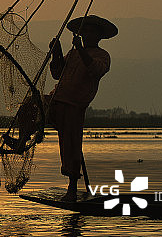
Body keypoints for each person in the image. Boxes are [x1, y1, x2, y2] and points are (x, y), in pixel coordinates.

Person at [47, 15, 117, 201]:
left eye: (91, 32)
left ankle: (71, 188)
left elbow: (95, 70)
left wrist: (79, 48)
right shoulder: (73, 53)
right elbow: (57, 74)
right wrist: (57, 53)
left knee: (71, 145)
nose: (87, 35)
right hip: (56, 99)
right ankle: (22, 140)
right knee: (30, 107)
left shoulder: (102, 56)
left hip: (74, 105)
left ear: (99, 36)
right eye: (85, 31)